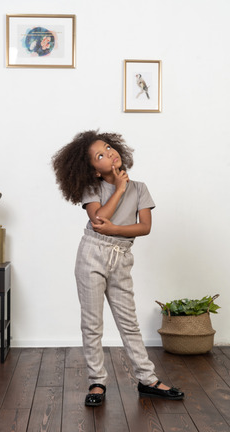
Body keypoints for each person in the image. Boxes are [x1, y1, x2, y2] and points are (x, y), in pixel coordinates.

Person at [52, 130, 184, 405]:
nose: (109, 154)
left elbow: (144, 227)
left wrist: (116, 229)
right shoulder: (93, 188)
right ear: (95, 171)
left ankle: (147, 379)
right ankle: (97, 382)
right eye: (100, 155)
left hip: (122, 256)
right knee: (92, 323)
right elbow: (99, 218)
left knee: (129, 322)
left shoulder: (140, 188)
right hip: (93, 253)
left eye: (109, 148)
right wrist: (120, 190)